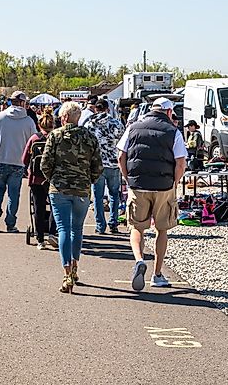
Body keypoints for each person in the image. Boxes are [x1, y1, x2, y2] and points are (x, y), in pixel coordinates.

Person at [117, 97, 187, 291]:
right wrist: (175, 181)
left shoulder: (133, 127)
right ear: (169, 112)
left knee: (137, 227)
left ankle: (139, 259)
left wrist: (127, 177)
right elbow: (180, 162)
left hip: (138, 185)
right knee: (161, 229)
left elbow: (121, 155)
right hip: (164, 186)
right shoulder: (174, 131)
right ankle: (157, 274)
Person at [41, 101, 103, 293]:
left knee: (63, 229)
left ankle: (66, 272)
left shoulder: (55, 136)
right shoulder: (90, 137)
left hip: (59, 189)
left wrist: (53, 179)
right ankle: (74, 266)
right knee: (77, 229)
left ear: (65, 117)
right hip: (82, 189)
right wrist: (88, 180)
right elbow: (97, 166)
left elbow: (45, 163)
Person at [0, 90, 38, 232]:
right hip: (18, 162)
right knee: (14, 194)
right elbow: (33, 141)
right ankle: (10, 223)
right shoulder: (28, 121)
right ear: (22, 103)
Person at [84, 98, 126, 234]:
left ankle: (100, 225)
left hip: (96, 164)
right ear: (108, 108)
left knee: (97, 196)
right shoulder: (116, 123)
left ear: (95, 109)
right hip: (113, 163)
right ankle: (113, 223)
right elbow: (123, 142)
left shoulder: (89, 124)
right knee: (114, 194)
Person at [23, 111, 58, 249]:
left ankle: (40, 239)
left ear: (39, 124)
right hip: (53, 178)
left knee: (39, 207)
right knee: (55, 206)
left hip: (36, 178)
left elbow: (24, 159)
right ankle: (52, 232)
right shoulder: (56, 138)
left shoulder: (34, 139)